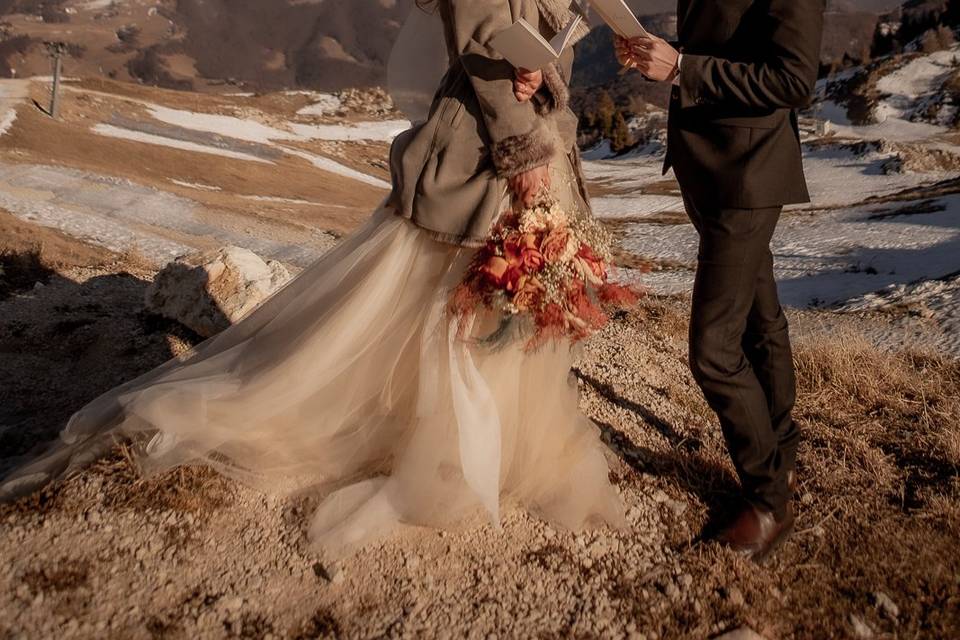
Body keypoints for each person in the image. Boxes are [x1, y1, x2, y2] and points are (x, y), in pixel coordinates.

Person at [0, 0, 626, 559]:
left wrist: (545, 76)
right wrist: (524, 154)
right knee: (459, 300)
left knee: (498, 301)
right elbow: (486, 37)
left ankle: (493, 444)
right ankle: (444, 452)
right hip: (492, 148)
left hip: (529, 133)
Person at [615, 0, 825, 561]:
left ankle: (769, 502)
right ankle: (782, 457)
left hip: (750, 171)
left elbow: (794, 80)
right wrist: (650, 56)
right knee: (761, 318)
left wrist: (682, 68)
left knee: (712, 350)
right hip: (705, 163)